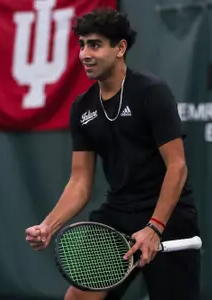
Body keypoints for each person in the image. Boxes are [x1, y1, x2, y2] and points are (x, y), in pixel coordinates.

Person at [25, 6, 201, 300]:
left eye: (94, 45)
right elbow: (80, 183)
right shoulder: (82, 108)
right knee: (79, 298)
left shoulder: (151, 92)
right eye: (82, 45)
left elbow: (177, 167)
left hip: (169, 216)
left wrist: (154, 228)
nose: (84, 54)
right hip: (118, 216)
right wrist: (48, 226)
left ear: (120, 48)